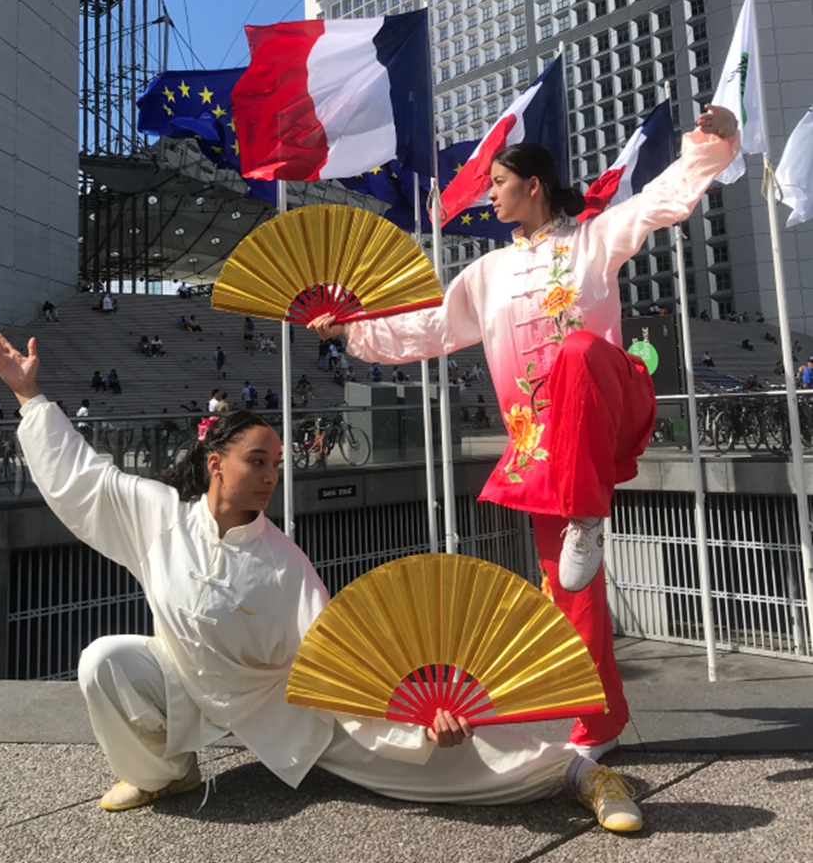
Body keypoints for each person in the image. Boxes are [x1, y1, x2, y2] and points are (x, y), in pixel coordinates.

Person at [0, 331, 643, 833]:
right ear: (215, 464)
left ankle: (582, 770)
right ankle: (163, 774)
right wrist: (28, 397)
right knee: (105, 660)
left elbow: (347, 666)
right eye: (256, 462)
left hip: (289, 711)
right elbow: (84, 479)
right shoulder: (156, 515)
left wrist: (429, 724)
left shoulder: (283, 564)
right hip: (186, 681)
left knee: (452, 772)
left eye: (276, 464)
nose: (271, 476)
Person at [309, 103, 739, 761]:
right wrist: (351, 330)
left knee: (575, 353)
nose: (489, 194)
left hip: (611, 410)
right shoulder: (485, 276)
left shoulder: (595, 238)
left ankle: (586, 515)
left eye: (498, 184)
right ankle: (592, 728)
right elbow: (429, 329)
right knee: (570, 589)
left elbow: (659, 201)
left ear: (531, 186)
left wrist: (712, 144)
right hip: (540, 449)